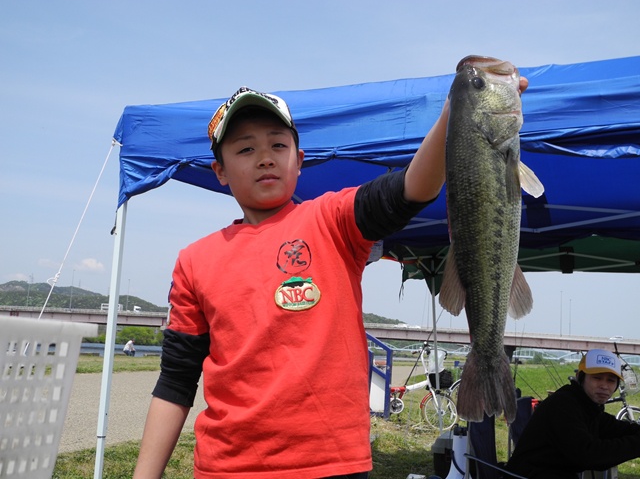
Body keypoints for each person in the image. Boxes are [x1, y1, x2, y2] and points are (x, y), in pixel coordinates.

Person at [134, 74, 528, 478]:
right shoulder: (195, 260)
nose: (265, 157)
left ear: (299, 161)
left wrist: (458, 108)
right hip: (226, 467)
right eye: (245, 148)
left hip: (333, 466)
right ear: (220, 170)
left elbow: (413, 188)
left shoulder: (332, 220)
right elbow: (176, 383)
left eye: (278, 144)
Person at [506, 349, 640, 479]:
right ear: (580, 377)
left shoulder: (588, 407)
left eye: (611, 380)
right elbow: (588, 456)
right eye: (597, 378)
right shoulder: (563, 405)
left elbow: (617, 428)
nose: (604, 385)